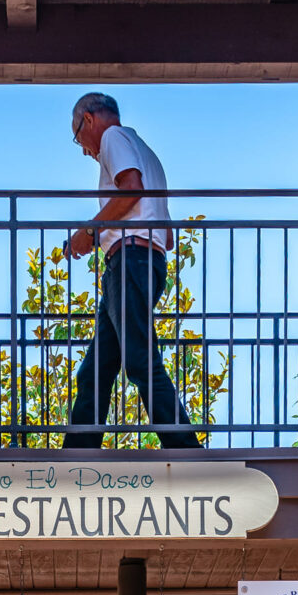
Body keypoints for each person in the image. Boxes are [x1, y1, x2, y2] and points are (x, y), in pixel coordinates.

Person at [62, 94, 200, 450]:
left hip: (130, 261)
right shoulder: (146, 152)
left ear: (89, 120)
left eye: (79, 137)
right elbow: (166, 235)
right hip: (139, 262)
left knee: (138, 361)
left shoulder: (113, 138)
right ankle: (78, 450)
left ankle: (186, 448)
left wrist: (90, 231)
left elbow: (131, 190)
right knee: (97, 368)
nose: (84, 150)